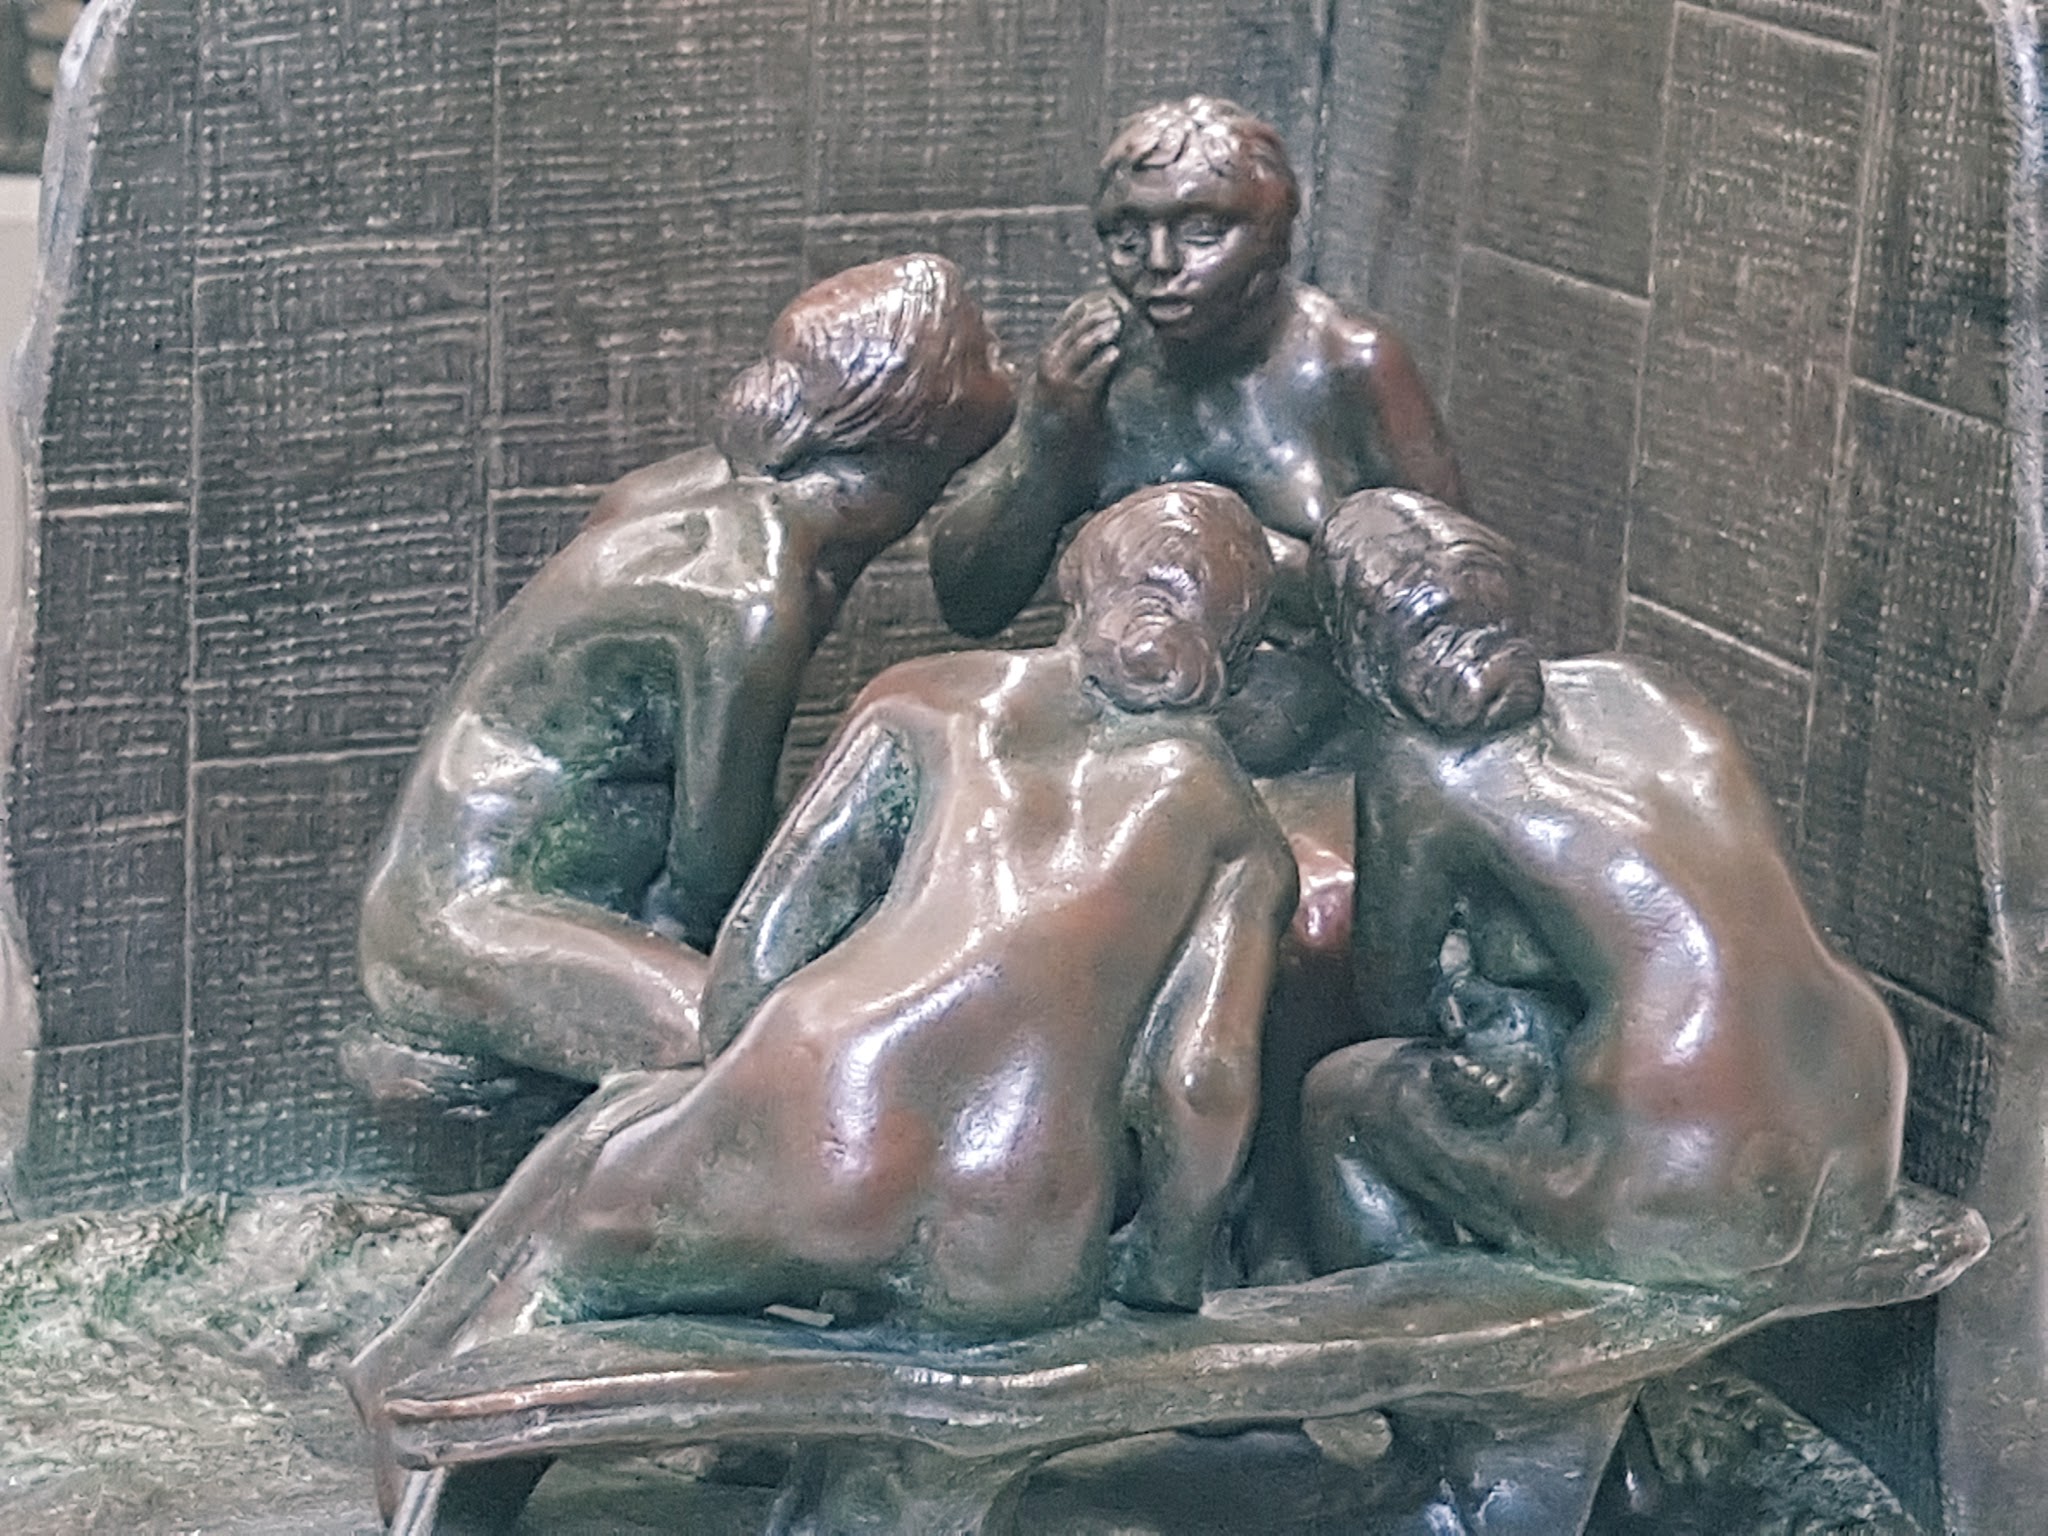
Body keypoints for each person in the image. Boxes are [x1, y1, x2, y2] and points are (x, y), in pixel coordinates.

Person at [346, 482, 1297, 1517]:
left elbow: (768, 935)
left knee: (560, 1256)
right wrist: (1165, 1264)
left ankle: (432, 1473)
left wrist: (728, 1081)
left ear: (1079, 578)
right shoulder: (1240, 835)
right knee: (923, 1424)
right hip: (1024, 1224)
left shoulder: (934, 702)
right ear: (1238, 649)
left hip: (828, 1113)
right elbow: (1202, 1080)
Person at [348, 254, 1015, 1109]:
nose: (1005, 353)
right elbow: (709, 878)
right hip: (467, 924)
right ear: (917, 415)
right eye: (981, 346)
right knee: (790, 1054)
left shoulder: (696, 492)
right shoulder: (748, 599)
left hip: (507, 898)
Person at [1299, 489, 1907, 1287]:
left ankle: (1430, 1360)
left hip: (1688, 1158)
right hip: (1861, 1106)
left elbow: (1395, 1001)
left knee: (1341, 1101)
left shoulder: (1423, 766)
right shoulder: (1643, 685)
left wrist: (1488, 1016)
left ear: (1358, 652)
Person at [926, 96, 1482, 771]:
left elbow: (1457, 612)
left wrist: (1247, 563)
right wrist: (1048, 443)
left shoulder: (1351, 364)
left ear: (1273, 234)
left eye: (1201, 231)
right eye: (1128, 236)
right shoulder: (1097, 360)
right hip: (1124, 718)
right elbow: (969, 600)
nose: (1159, 263)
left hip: (1312, 741)